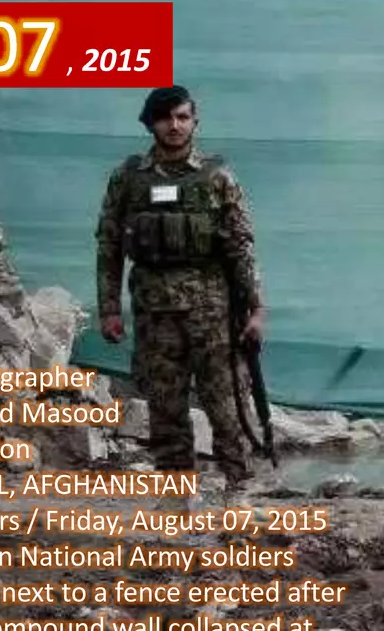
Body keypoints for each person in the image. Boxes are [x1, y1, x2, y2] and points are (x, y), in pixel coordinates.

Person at [95, 85, 267, 502]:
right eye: (166, 117)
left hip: (212, 311)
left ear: (194, 121)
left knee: (225, 402)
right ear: (151, 122)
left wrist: (257, 308)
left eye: (183, 117)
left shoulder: (216, 177)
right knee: (164, 404)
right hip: (154, 313)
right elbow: (109, 245)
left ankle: (238, 487)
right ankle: (175, 494)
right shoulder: (129, 178)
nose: (174, 126)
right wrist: (109, 309)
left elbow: (241, 245)